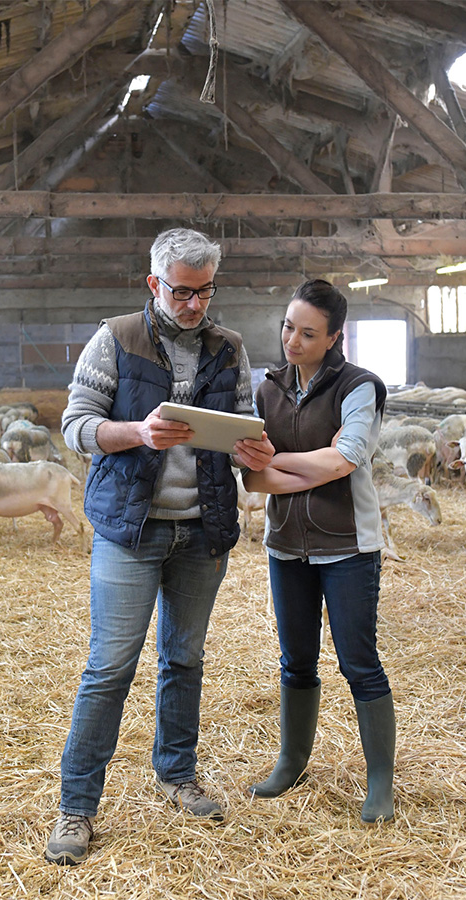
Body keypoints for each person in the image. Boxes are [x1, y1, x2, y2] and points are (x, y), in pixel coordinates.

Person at [45, 228, 275, 866]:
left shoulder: (229, 349)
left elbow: (240, 428)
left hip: (203, 529)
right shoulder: (115, 339)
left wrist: (251, 450)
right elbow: (75, 428)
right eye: (182, 291)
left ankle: (176, 774)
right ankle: (77, 805)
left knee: (184, 659)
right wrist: (136, 434)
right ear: (154, 284)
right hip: (132, 528)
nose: (195, 304)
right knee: (110, 666)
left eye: (204, 292)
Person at [242, 278, 396, 824]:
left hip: (348, 546)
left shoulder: (361, 388)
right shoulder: (267, 389)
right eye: (288, 327)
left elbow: (346, 460)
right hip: (285, 546)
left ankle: (380, 781)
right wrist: (308, 463)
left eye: (308, 333)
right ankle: (292, 759)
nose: (293, 341)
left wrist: (279, 461)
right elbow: (253, 482)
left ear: (335, 337)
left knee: (360, 664)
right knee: (296, 662)